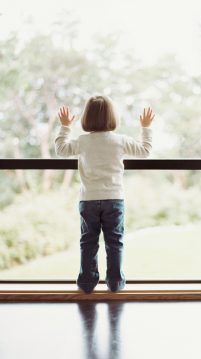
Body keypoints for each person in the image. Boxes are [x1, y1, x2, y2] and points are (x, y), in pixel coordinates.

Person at [55, 95, 154, 293]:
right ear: (112, 117)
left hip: (89, 199)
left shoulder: (83, 141)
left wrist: (65, 127)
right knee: (114, 242)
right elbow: (145, 151)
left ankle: (86, 283)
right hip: (114, 199)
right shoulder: (120, 141)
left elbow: (61, 149)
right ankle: (116, 283)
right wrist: (145, 128)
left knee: (88, 242)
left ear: (86, 118)